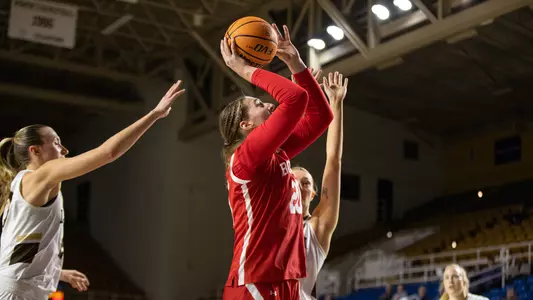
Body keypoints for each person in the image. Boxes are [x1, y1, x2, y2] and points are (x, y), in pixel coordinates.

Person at [0, 81, 186, 300]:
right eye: (57, 142)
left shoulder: (23, 183)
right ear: (35, 150)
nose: (65, 149)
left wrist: (57, 272)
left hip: (18, 288)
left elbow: (16, 248)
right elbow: (108, 153)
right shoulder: (42, 174)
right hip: (18, 292)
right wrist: (154, 114)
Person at [219, 23, 333, 300]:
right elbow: (294, 98)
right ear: (245, 125)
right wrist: (243, 69)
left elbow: (321, 117)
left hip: (285, 278)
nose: (269, 104)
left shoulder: (275, 154)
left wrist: (295, 62)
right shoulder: (246, 157)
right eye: (259, 105)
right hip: (256, 280)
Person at [293, 71, 348, 300]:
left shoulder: (316, 228)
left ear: (314, 193)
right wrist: (293, 98)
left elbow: (333, 162)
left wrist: (336, 104)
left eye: (305, 183)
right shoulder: (268, 221)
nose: (298, 187)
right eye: (292, 182)